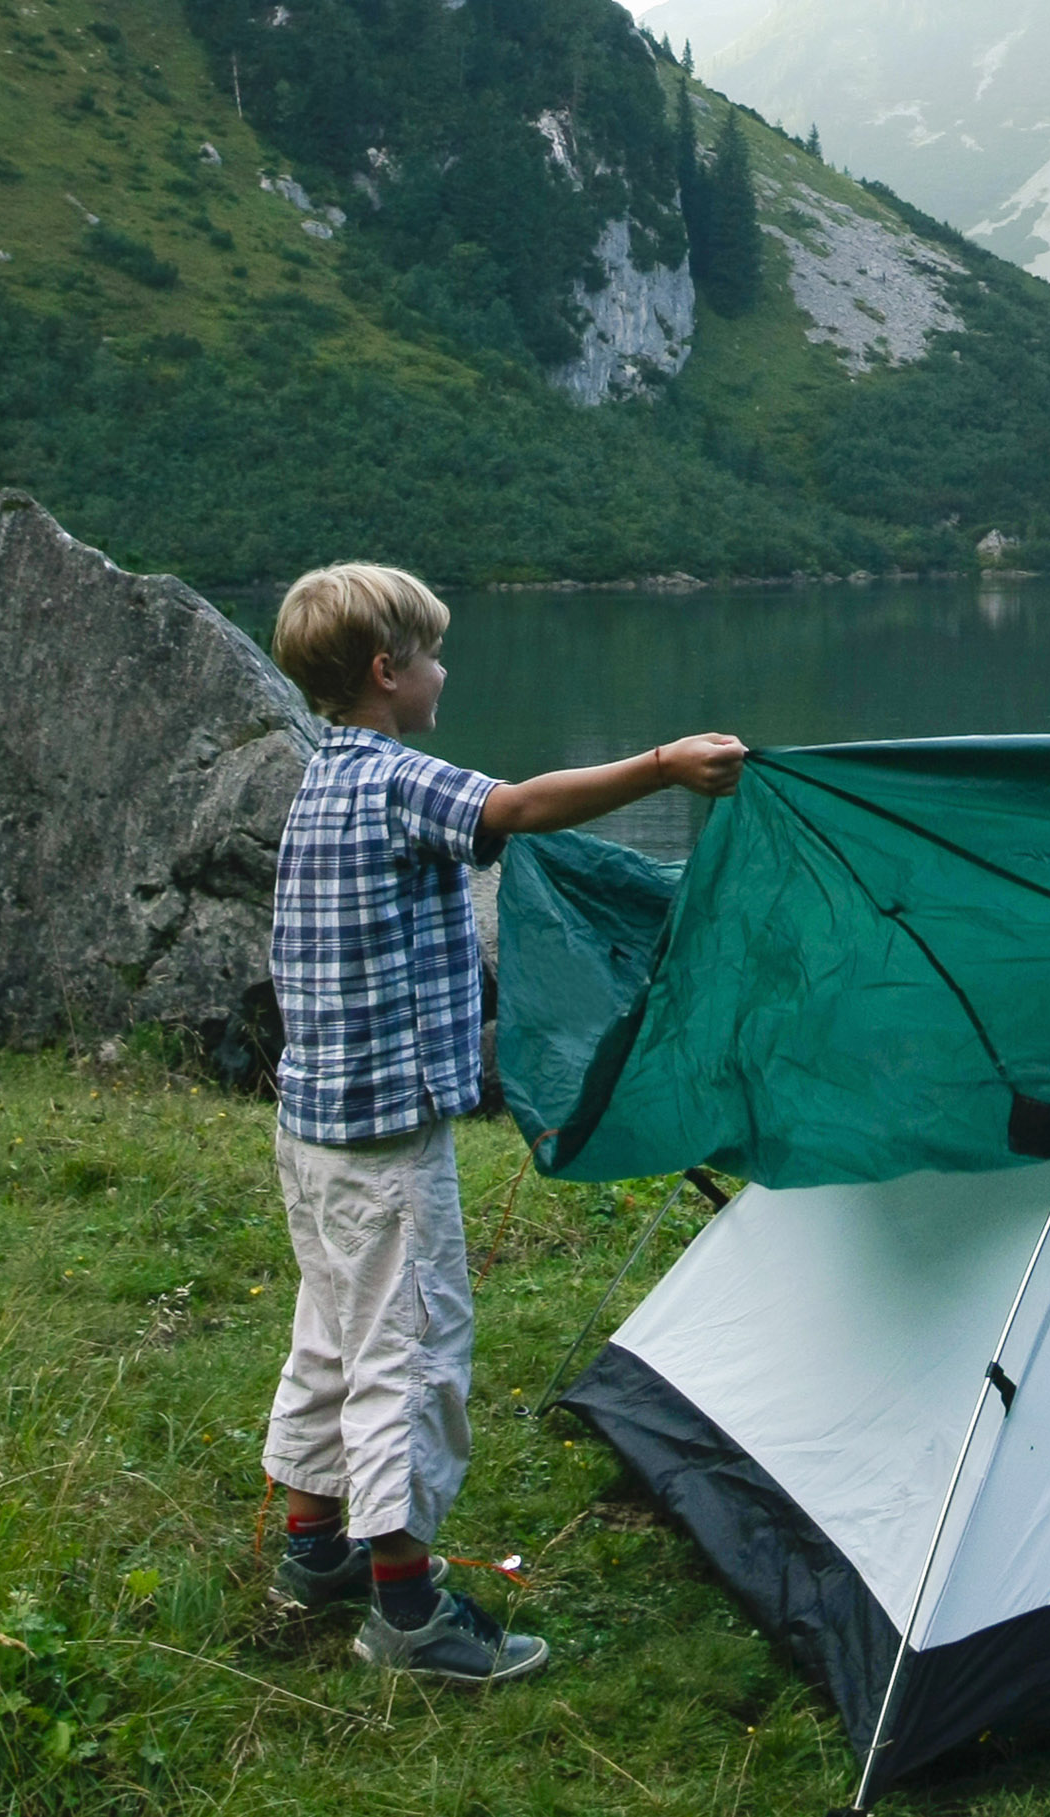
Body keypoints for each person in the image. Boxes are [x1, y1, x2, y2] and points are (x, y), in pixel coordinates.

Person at [257, 559, 749, 1682]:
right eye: (431, 655)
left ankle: (313, 1546)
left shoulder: (322, 775)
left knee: (332, 1332)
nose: (444, 671)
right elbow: (515, 809)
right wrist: (666, 764)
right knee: (410, 1349)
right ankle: (408, 1612)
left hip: (316, 1131)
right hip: (383, 1141)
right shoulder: (394, 775)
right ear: (387, 672)